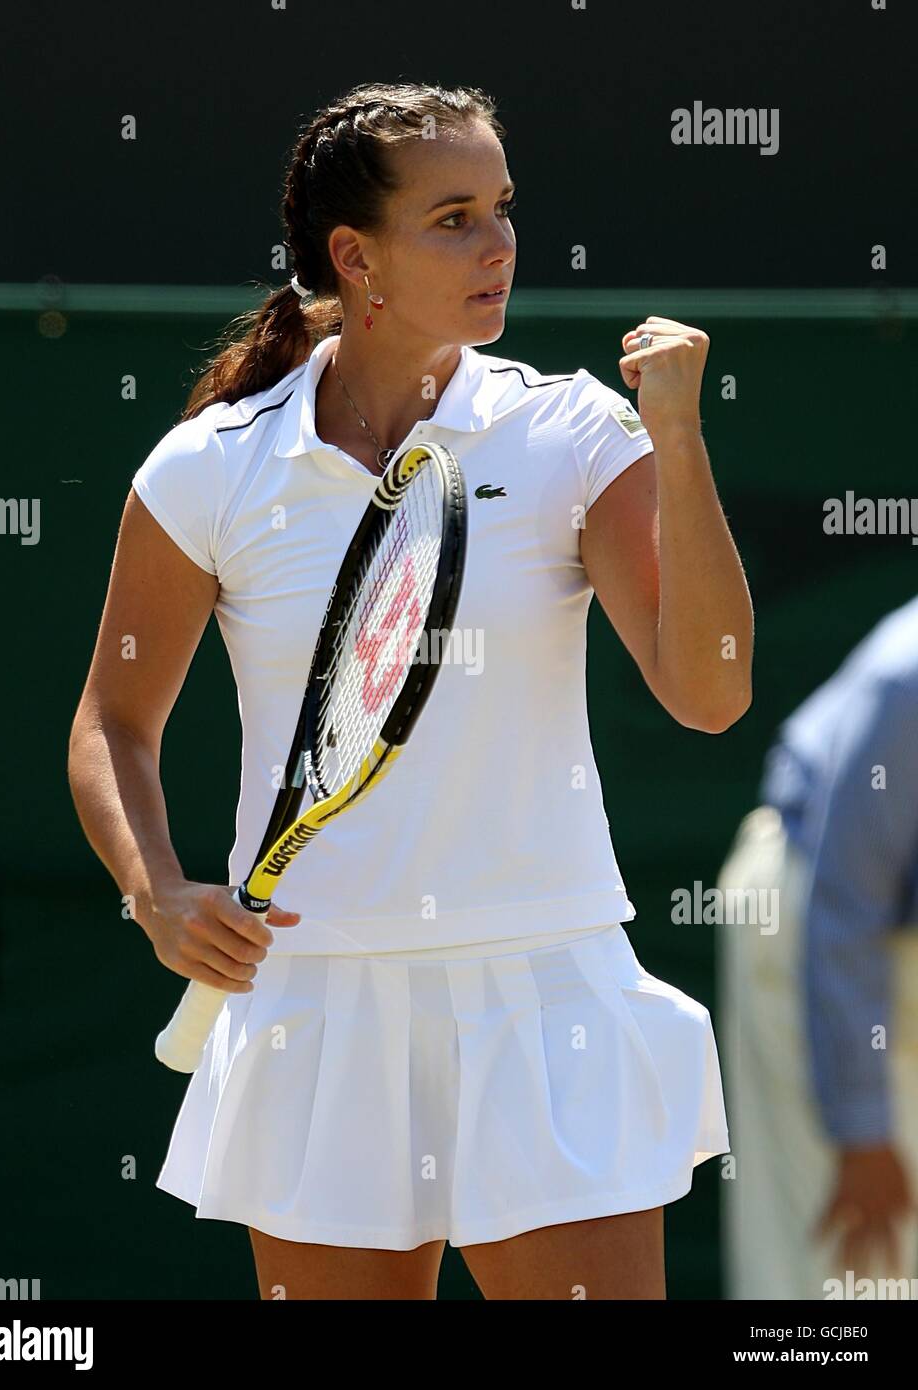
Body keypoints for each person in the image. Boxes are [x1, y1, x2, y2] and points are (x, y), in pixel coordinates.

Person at [67, 81, 751, 1300]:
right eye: (452, 218)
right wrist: (157, 890)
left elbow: (709, 692)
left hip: (545, 994)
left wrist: (680, 440)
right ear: (354, 256)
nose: (499, 246)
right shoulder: (211, 468)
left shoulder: (577, 432)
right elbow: (113, 721)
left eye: (502, 209)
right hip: (313, 1000)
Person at [717, 596, 918, 1299]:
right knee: (845, 1270)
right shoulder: (908, 680)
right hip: (811, 922)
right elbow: (844, 903)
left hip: (888, 933)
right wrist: (860, 1134)